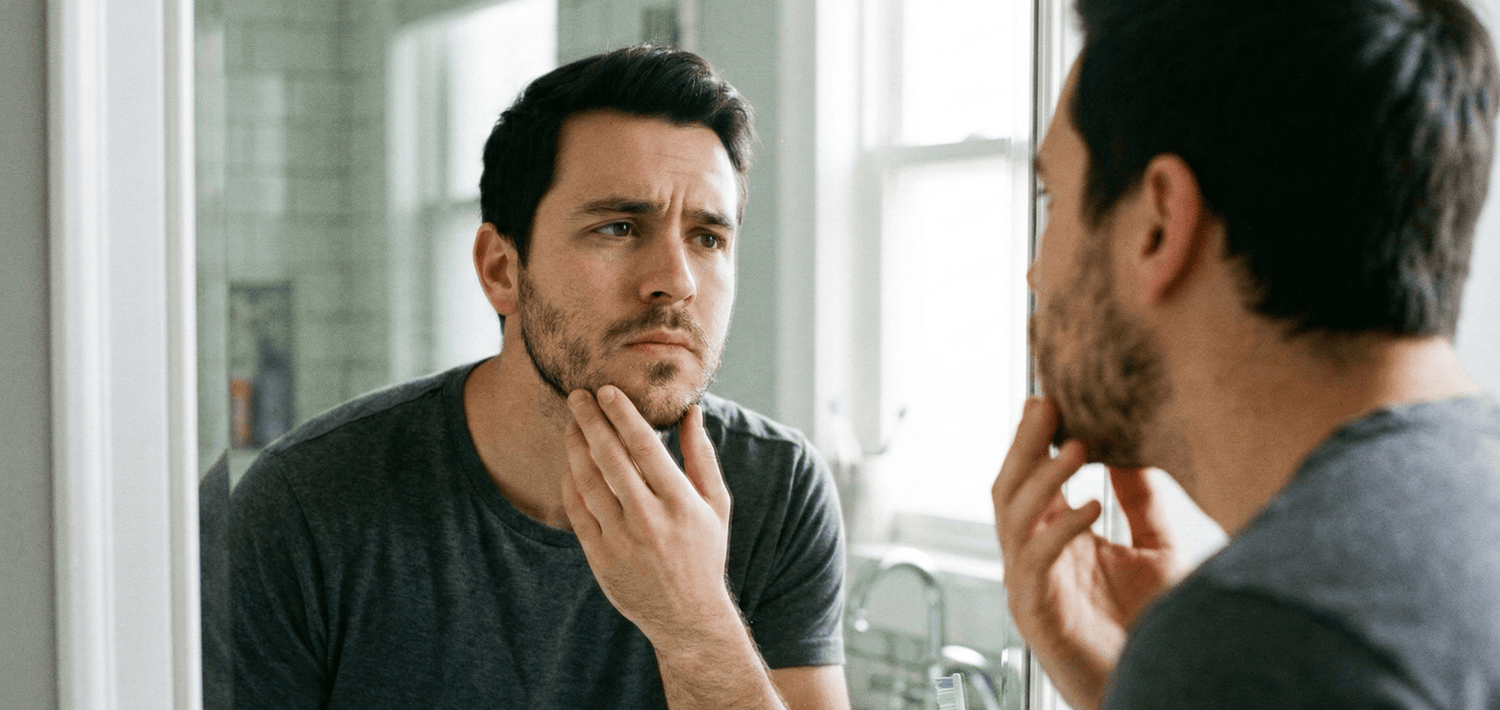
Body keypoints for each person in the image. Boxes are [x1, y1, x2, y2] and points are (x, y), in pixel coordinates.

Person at [226, 46, 850, 709]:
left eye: (707, 238)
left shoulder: (777, 489)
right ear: (501, 269)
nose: (676, 280)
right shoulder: (305, 505)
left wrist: (693, 621)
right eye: (619, 227)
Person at [993, 0, 1500, 708]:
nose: (1033, 275)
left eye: (1053, 199)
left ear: (1158, 225)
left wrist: (1198, 669)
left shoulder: (1268, 634)